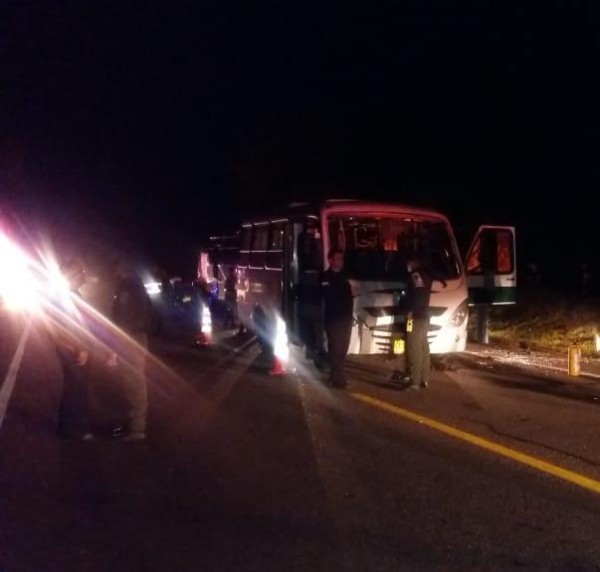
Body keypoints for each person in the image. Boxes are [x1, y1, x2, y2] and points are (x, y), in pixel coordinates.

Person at [110, 260, 151, 441]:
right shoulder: (133, 285)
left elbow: (125, 318)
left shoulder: (130, 286)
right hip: (132, 337)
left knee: (134, 383)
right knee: (130, 383)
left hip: (131, 339)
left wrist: (117, 345)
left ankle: (136, 429)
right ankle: (132, 424)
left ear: (121, 269)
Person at [54, 259, 94, 440]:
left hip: (65, 346)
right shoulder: (71, 296)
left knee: (71, 387)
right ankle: (73, 430)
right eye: (80, 273)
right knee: (76, 389)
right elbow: (75, 326)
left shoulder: (62, 295)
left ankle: (66, 426)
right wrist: (81, 349)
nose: (83, 276)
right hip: (71, 348)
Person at [395, 254, 433, 391]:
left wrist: (408, 310)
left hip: (415, 317)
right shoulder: (426, 274)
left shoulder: (416, 275)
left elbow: (417, 296)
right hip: (423, 316)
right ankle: (424, 379)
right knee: (423, 348)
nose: (407, 266)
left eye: (408, 263)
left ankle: (414, 381)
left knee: (414, 348)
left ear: (412, 263)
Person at [321, 248, 354, 388]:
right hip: (334, 318)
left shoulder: (344, 276)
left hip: (346, 318)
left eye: (342, 259)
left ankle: (336, 375)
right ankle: (337, 378)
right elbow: (330, 296)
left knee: (344, 347)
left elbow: (348, 297)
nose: (341, 262)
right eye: (338, 259)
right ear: (330, 260)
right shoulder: (326, 277)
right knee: (336, 347)